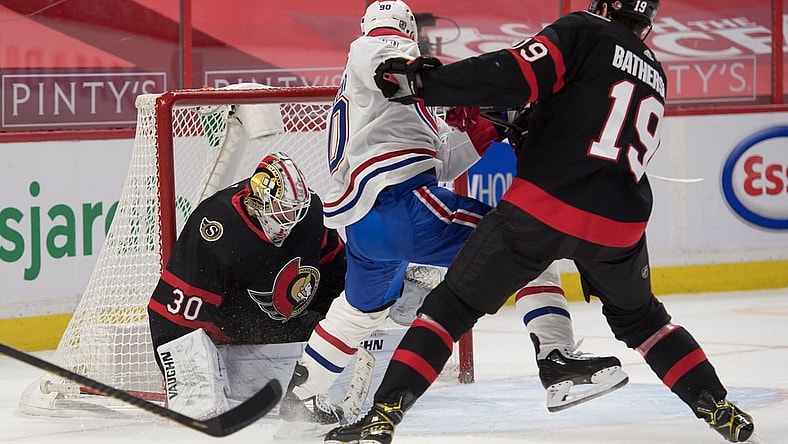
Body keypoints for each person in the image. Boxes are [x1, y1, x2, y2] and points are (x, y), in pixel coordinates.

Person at [325, 1, 756, 443]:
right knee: (645, 320)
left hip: (546, 206)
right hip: (620, 224)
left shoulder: (584, 30)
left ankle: (383, 416)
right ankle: (718, 406)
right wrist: (518, 123)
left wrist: (428, 83)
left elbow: (512, 73)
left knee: (450, 308)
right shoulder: (655, 73)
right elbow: (585, 124)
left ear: (603, 5)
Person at [278, 0, 628, 437]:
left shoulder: (382, 104)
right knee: (526, 248)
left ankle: (303, 399)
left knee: (358, 311)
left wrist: (489, 125)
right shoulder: (375, 50)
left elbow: (440, 161)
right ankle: (557, 362)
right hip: (402, 206)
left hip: (365, 228)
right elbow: (386, 59)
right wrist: (446, 80)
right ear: (405, 31)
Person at [146, 151, 373, 420]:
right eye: (284, 209)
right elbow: (175, 315)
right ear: (259, 201)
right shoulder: (217, 227)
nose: (291, 218)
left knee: (354, 332)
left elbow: (337, 272)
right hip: (228, 337)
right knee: (200, 404)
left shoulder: (311, 214)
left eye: (296, 209)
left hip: (284, 326)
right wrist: (190, 381)